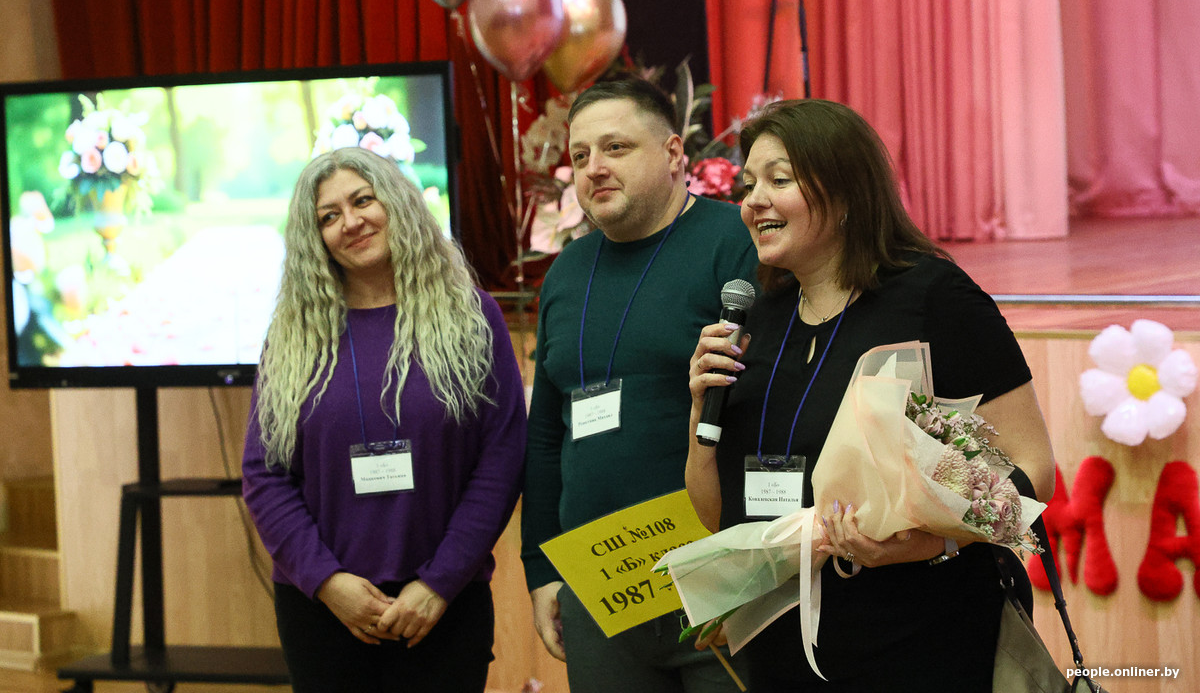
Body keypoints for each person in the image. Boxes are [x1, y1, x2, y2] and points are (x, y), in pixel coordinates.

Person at [686, 99, 1056, 692]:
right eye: (748, 184)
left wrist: (931, 542)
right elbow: (719, 513)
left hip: (921, 642)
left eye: (779, 180)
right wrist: (699, 416)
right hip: (786, 655)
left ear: (847, 193)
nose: (753, 201)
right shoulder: (759, 317)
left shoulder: (933, 297)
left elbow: (1033, 471)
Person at [242, 147, 526, 693]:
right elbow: (264, 473)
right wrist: (328, 582)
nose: (350, 222)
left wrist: (440, 582)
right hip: (323, 609)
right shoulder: (293, 335)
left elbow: (502, 457)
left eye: (363, 200)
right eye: (329, 216)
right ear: (314, 237)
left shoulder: (471, 317)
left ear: (395, 203)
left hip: (444, 605)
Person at [521, 77, 758, 693]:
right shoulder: (566, 272)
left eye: (616, 147)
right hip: (601, 587)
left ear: (674, 153)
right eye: (580, 156)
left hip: (719, 582)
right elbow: (545, 436)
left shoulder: (737, 243)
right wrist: (540, 568)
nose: (594, 168)